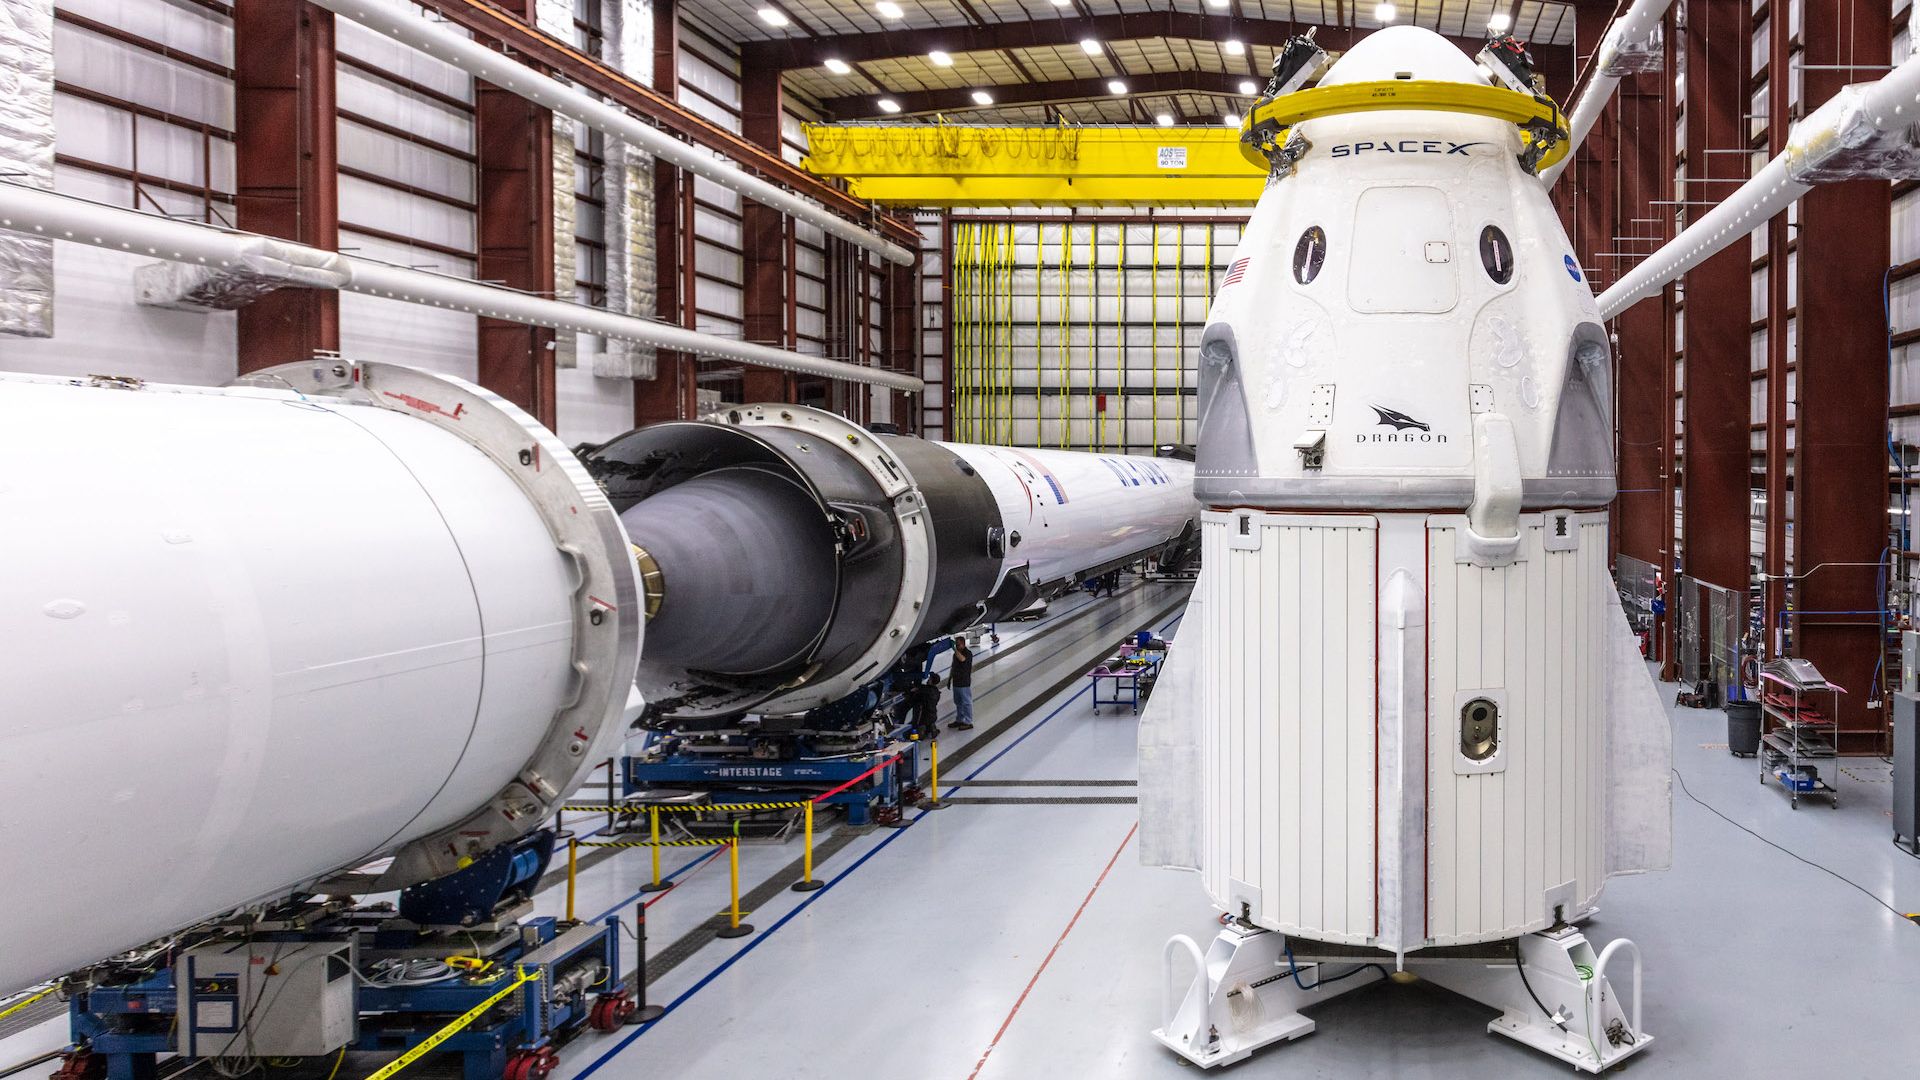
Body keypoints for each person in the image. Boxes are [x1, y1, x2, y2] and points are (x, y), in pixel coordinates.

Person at [947, 637, 974, 730]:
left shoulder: (968, 653)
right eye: (956, 645)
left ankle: (968, 722)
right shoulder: (955, 655)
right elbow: (953, 666)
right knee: (958, 703)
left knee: (966, 702)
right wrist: (949, 679)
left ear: (963, 644)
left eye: (958, 645)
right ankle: (960, 720)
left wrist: (954, 649)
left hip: (964, 682)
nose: (957, 647)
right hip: (956, 682)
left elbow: (962, 659)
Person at [910, 672, 942, 740]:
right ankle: (932, 729)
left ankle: (922, 732)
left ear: (931, 680)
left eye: (929, 679)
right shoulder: (936, 692)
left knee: (919, 733)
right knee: (930, 722)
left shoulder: (924, 690)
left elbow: (915, 698)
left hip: (923, 718)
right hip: (933, 716)